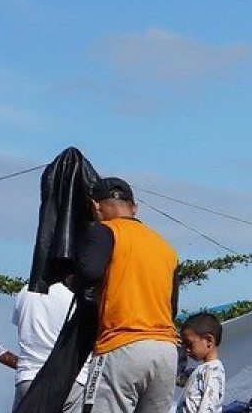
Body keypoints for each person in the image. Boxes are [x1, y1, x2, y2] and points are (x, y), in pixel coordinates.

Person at [74, 177, 180, 413]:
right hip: (165, 351)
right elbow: (172, 308)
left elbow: (89, 272)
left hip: (121, 345)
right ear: (134, 208)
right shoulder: (165, 247)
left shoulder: (106, 231)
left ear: (96, 206)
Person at [11, 264, 90, 412]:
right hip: (71, 379)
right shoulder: (75, 297)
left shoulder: (26, 291)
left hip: (29, 375)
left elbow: (18, 322)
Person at [176, 312, 226, 413]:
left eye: (189, 344)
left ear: (208, 340)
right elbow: (178, 378)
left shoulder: (213, 372)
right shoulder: (201, 370)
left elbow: (209, 407)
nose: (187, 350)